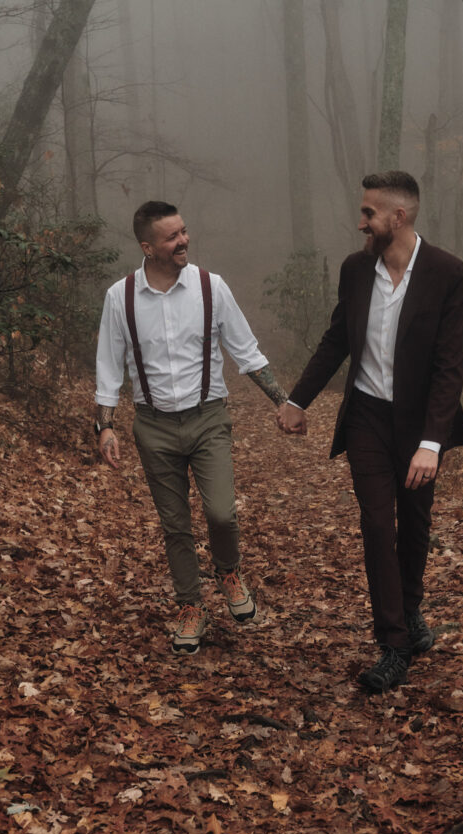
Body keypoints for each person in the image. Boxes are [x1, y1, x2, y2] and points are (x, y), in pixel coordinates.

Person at [278, 171, 463, 695]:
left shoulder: (448, 273)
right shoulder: (355, 268)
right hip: (365, 416)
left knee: (414, 523)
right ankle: (393, 644)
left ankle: (409, 610)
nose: (360, 222)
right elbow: (338, 336)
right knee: (375, 524)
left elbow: (451, 366)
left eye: (368, 214)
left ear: (398, 218)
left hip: (419, 424)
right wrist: (298, 399)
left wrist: (432, 442)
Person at [95, 200, 288, 655]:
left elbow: (246, 351)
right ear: (147, 246)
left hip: (207, 419)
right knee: (175, 524)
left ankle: (229, 572)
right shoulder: (119, 297)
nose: (183, 241)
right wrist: (104, 427)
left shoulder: (210, 287)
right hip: (153, 426)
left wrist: (283, 402)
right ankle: (190, 606)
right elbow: (108, 368)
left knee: (222, 512)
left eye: (183, 231)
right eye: (171, 236)